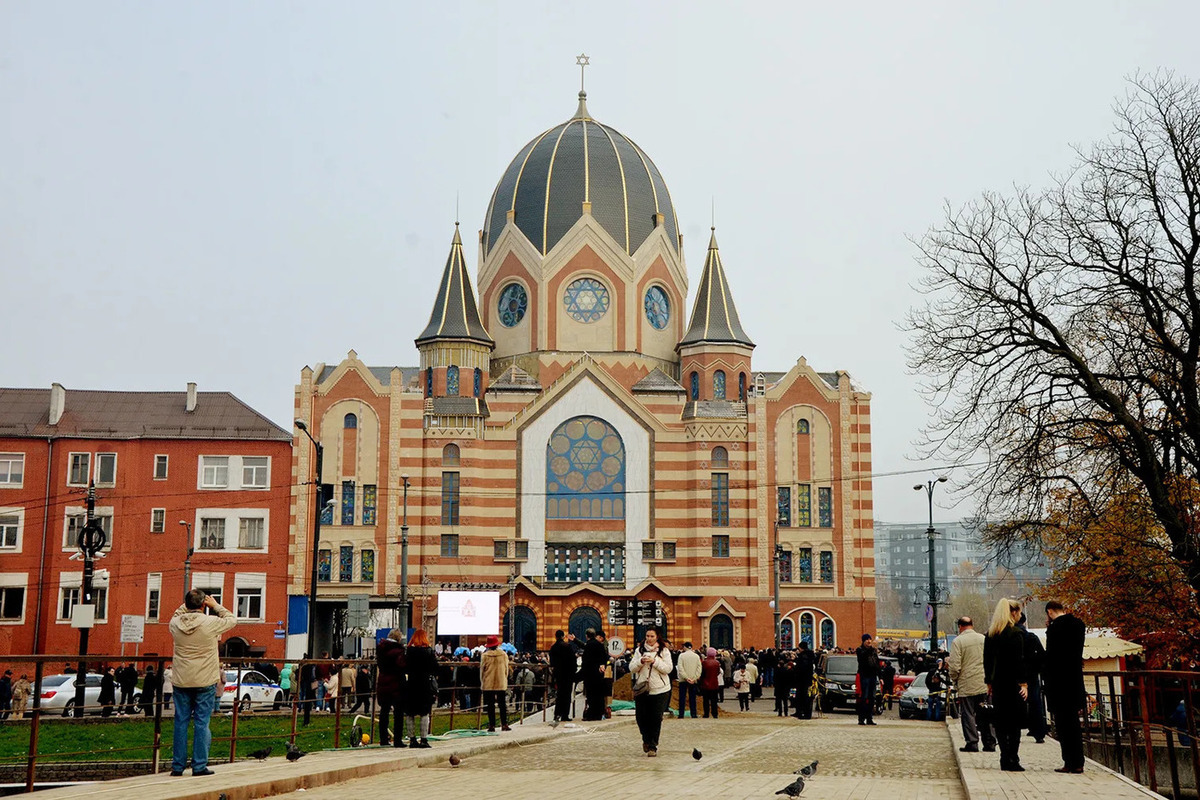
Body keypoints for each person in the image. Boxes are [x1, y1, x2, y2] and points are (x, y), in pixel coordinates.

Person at [169, 589, 237, 776]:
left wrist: (189, 603)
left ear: (186, 605)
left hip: (182, 680)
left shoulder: (175, 623)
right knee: (201, 723)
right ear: (202, 605)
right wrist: (214, 605)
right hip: (205, 679)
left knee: (180, 722)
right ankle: (199, 766)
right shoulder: (211, 623)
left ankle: (177, 766)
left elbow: (177, 613)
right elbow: (231, 619)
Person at [984, 598, 1028, 772]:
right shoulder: (1016, 634)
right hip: (1013, 683)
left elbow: (987, 661)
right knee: (1014, 723)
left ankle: (1004, 757)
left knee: (1001, 722)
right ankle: (1013, 758)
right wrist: (1023, 683)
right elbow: (1019, 661)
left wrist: (989, 682)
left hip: (998, 683)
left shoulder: (991, 634)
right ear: (1013, 613)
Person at [1044, 600, 1086, 774]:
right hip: (1074, 679)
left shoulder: (1054, 629)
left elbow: (1051, 657)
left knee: (1063, 723)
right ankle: (1079, 762)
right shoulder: (1079, 624)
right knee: (1074, 723)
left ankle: (1069, 761)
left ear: (1049, 611)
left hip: (1058, 682)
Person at [948, 616, 996, 753]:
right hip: (984, 683)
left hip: (967, 683)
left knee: (968, 714)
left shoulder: (958, 642)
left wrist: (955, 679)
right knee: (986, 712)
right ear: (972, 625)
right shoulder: (983, 639)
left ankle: (972, 742)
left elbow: (955, 666)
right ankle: (990, 742)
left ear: (960, 627)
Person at [628, 628, 673, 757]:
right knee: (641, 718)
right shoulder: (639, 650)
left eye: (652, 636)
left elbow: (668, 669)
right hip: (643, 689)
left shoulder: (664, 651)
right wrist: (640, 661)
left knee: (655, 718)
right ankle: (645, 739)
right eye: (647, 636)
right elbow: (631, 668)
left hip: (660, 689)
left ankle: (653, 745)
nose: (649, 638)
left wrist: (655, 661)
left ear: (657, 637)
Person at [1016, 612, 1047, 743]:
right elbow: (1041, 656)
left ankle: (1016, 728)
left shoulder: (1012, 636)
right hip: (1032, 674)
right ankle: (1038, 732)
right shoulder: (1032, 637)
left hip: (1016, 674)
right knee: (1035, 702)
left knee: (1016, 702)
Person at [404, 629, 438, 748]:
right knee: (424, 713)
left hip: (411, 684)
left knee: (410, 713)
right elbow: (435, 668)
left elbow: (405, 667)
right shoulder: (429, 651)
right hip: (424, 685)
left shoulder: (409, 651)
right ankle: (423, 739)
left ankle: (412, 739)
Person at [376, 629, 407, 747]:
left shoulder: (380, 648)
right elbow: (402, 666)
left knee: (384, 711)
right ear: (398, 638)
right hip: (396, 683)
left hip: (383, 681)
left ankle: (383, 739)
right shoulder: (399, 651)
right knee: (398, 713)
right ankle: (397, 740)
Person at [480, 635, 512, 732]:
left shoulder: (485, 656)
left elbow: (482, 671)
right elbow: (506, 670)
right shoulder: (503, 655)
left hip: (488, 683)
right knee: (502, 704)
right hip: (500, 682)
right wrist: (504, 679)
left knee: (490, 705)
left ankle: (492, 726)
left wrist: (482, 682)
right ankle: (504, 724)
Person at [548, 629, 576, 724]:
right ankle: (565, 715)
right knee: (567, 695)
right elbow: (573, 661)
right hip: (568, 674)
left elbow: (552, 663)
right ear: (563, 636)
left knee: (559, 694)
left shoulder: (553, 648)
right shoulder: (568, 646)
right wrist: (573, 672)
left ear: (555, 637)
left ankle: (557, 714)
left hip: (558, 674)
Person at [580, 628, 608, 721]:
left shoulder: (589, 645)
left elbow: (586, 661)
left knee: (591, 695)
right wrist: (602, 666)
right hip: (599, 674)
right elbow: (604, 657)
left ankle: (592, 715)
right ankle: (599, 714)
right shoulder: (599, 645)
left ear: (586, 636)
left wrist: (580, 674)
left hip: (590, 675)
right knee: (599, 695)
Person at [855, 634, 880, 726]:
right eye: (867, 640)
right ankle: (861, 718)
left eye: (870, 639)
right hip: (864, 675)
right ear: (863, 641)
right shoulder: (860, 650)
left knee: (872, 698)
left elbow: (877, 663)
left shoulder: (873, 651)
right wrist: (870, 649)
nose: (869, 641)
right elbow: (862, 659)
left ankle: (869, 718)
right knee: (864, 697)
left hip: (873, 676)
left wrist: (880, 677)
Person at [676, 641, 702, 719]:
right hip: (693, 680)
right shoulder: (696, 656)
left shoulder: (681, 656)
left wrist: (686, 677)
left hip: (683, 680)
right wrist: (694, 678)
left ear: (685, 647)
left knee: (682, 698)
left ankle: (681, 714)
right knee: (693, 698)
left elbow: (680, 668)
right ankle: (693, 714)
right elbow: (699, 668)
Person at [794, 642, 815, 719]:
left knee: (802, 696)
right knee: (803, 696)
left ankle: (803, 713)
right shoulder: (809, 656)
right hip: (807, 679)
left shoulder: (803, 657)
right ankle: (801, 712)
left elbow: (802, 669)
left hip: (802, 680)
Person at [699, 647, 722, 718]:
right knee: (714, 700)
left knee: (705, 700)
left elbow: (702, 673)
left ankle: (706, 714)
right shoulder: (717, 663)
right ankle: (715, 714)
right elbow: (718, 672)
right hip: (714, 683)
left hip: (705, 684)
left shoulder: (704, 662)